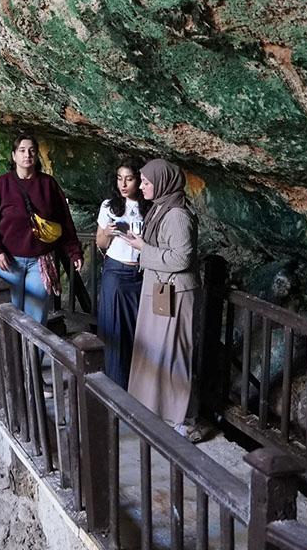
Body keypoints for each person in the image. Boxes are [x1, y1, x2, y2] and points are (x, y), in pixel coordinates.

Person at [118, 158, 205, 437]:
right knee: (157, 352)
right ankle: (159, 411)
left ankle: (182, 418)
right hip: (161, 290)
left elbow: (181, 257)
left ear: (163, 182)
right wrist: (139, 244)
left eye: (145, 182)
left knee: (176, 354)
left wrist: (143, 248)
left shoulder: (177, 215)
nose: (141, 187)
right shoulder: (159, 209)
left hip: (176, 293)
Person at [0, 134, 83, 325]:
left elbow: (65, 222)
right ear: (14, 156)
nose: (27, 155)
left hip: (40, 261)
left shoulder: (48, 185)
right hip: (9, 260)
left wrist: (74, 251)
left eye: (32, 151)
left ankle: (33, 356)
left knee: (36, 319)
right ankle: (11, 355)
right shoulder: (2, 185)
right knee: (9, 315)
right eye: (22, 150)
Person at [94, 158, 152, 388]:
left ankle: (139, 386)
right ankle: (116, 385)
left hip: (140, 274)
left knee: (140, 331)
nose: (123, 184)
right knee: (115, 329)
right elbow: (100, 242)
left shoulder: (149, 206)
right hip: (116, 272)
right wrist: (107, 232)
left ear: (138, 180)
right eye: (120, 178)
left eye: (129, 178)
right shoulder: (110, 206)